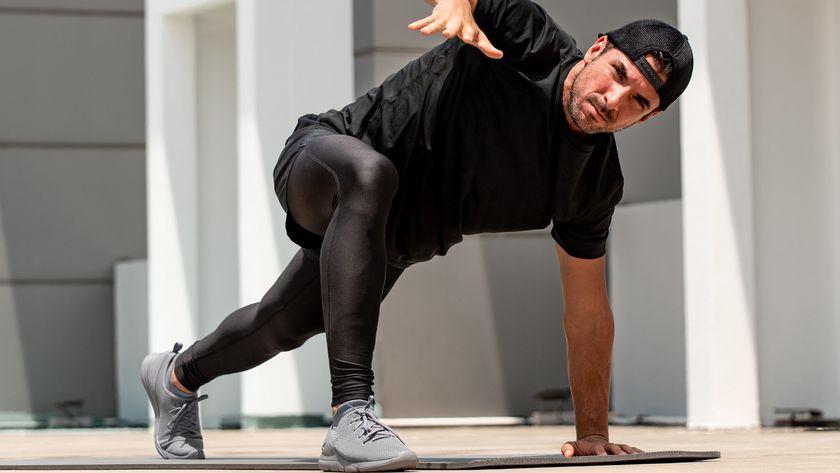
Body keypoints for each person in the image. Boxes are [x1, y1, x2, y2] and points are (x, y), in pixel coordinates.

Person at [140, 0, 693, 471]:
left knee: (278, 326)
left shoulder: (592, 186)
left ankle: (176, 378)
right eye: (619, 74)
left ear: (643, 121)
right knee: (371, 173)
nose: (615, 100)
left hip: (387, 241)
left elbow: (588, 311)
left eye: (639, 102)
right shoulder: (532, 42)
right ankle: (352, 416)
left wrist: (593, 433)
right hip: (326, 161)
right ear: (597, 51)